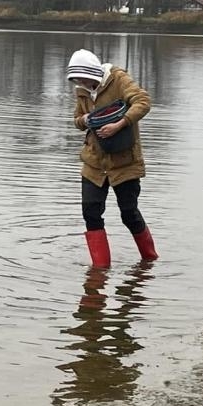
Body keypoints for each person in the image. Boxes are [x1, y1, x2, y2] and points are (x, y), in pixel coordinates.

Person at [67, 49, 158, 269]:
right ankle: (99, 271)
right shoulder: (82, 91)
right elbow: (77, 120)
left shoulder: (119, 80)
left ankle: (150, 258)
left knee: (129, 213)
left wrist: (119, 124)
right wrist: (85, 120)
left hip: (124, 163)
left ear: (92, 73)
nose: (80, 83)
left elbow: (143, 102)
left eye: (82, 78)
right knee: (90, 212)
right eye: (76, 79)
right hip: (94, 163)